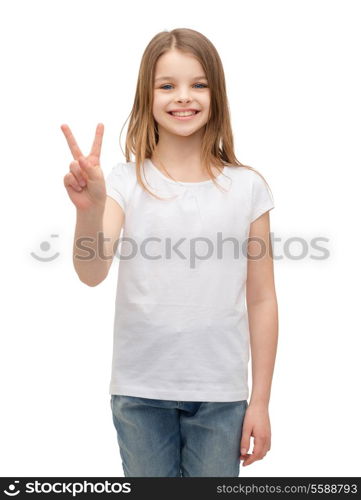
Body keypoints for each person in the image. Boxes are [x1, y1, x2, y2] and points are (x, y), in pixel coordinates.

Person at [61, 28, 278, 478]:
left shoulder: (248, 188)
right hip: (140, 394)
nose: (184, 97)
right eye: (168, 85)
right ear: (148, 95)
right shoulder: (123, 182)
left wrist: (260, 401)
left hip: (222, 398)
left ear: (216, 93)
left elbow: (261, 299)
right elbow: (91, 271)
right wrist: (92, 209)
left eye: (198, 84)